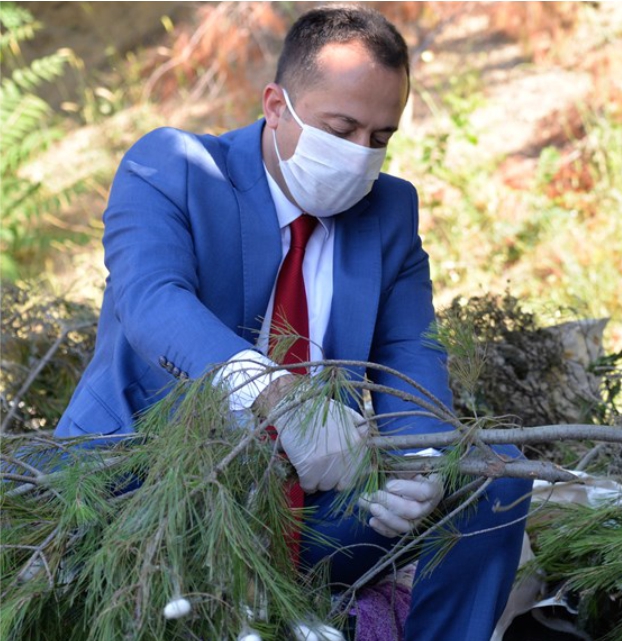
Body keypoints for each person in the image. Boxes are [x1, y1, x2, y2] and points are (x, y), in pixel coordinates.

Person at [53, 5, 530, 640]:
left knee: (491, 479)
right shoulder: (175, 168)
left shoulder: (389, 213)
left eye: (381, 138)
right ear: (277, 105)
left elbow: (411, 350)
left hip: (312, 511)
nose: (361, 156)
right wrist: (282, 397)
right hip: (147, 502)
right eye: (342, 128)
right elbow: (153, 300)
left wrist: (420, 461)